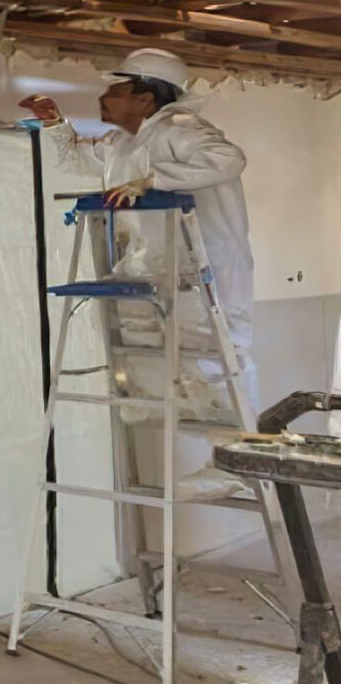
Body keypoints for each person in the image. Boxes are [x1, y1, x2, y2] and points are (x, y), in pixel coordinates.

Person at [22, 46, 257, 491]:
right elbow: (78, 159)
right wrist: (55, 124)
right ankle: (157, 410)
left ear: (145, 99)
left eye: (115, 90)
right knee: (144, 342)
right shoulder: (122, 143)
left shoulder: (182, 130)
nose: (104, 97)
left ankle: (237, 461)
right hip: (152, 261)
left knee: (213, 356)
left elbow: (229, 160)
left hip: (206, 264)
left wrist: (153, 180)